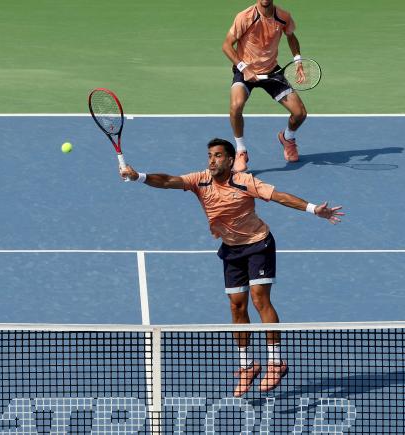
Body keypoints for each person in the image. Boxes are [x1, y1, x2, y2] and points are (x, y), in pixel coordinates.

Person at [120, 138, 344, 397]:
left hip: (258, 244)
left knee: (260, 300)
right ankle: (247, 365)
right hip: (231, 249)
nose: (211, 161)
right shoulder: (200, 180)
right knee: (237, 306)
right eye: (209, 156)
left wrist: (313, 208)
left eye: (217, 156)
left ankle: (275, 361)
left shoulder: (245, 181)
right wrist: (139, 177)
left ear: (229, 160)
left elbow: (279, 196)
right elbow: (169, 181)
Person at [222, 0, 308, 172]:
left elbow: (291, 36)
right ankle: (240, 151)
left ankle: (287, 137)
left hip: (271, 71)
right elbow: (226, 46)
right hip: (244, 70)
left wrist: (297, 60)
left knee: (300, 113)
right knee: (235, 107)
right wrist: (243, 68)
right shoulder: (244, 17)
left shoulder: (283, 17)